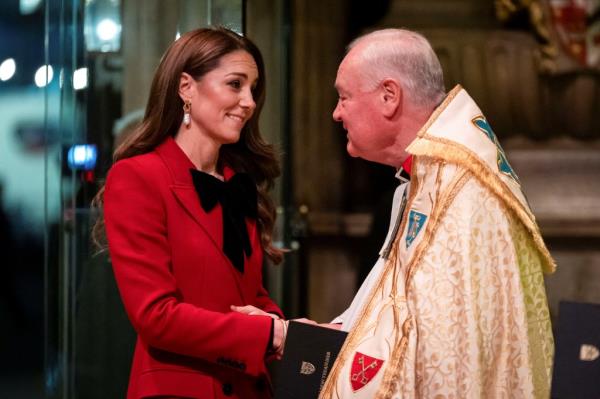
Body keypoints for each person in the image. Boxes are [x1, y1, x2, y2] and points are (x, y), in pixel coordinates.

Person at [319, 28, 555, 398]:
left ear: (389, 96)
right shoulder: (429, 178)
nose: (336, 113)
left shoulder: (462, 195)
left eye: (344, 96)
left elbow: (446, 359)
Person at [93, 27, 287, 399]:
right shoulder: (138, 176)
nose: (248, 101)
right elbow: (155, 317)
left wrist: (282, 324)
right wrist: (269, 333)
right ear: (186, 88)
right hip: (178, 388)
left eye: (253, 88)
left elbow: (250, 295)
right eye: (235, 84)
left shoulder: (237, 184)